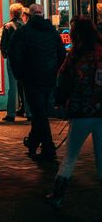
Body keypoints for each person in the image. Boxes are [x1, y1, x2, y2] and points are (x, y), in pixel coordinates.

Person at [45, 16, 102, 209]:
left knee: (70, 156)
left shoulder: (76, 55)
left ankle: (58, 195)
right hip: (101, 110)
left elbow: (62, 79)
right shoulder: (101, 53)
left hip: (81, 111)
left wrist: (60, 102)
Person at [9, 3, 66, 161]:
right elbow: (61, 54)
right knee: (40, 110)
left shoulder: (23, 32)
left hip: (31, 78)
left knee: (39, 112)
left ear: (30, 14)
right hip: (49, 78)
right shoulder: (52, 32)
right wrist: (55, 71)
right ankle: (33, 142)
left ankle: (48, 148)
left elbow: (15, 55)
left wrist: (20, 75)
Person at [1, 3, 24, 122]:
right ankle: (29, 112)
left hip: (12, 58)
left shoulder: (8, 26)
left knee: (12, 86)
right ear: (21, 14)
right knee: (26, 85)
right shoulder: (25, 26)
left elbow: (3, 44)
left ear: (11, 13)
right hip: (25, 59)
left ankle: (11, 113)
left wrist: (5, 54)